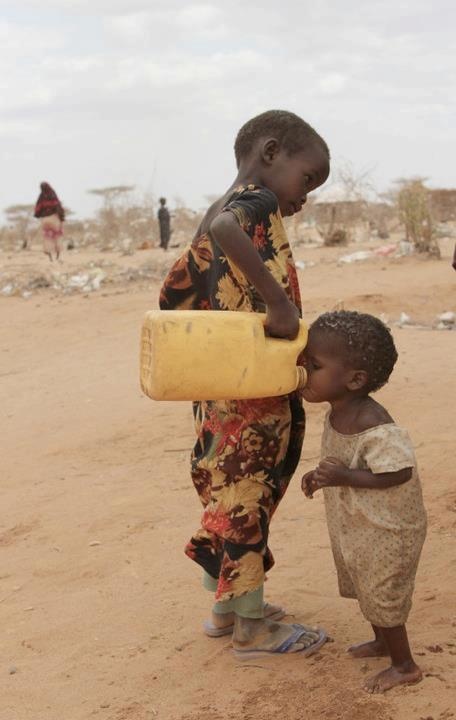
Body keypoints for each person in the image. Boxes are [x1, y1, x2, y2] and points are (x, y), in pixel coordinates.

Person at [159, 109, 330, 656]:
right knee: (248, 497)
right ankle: (253, 630)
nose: (304, 197)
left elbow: (188, 286)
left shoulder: (221, 206)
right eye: (307, 180)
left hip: (221, 387)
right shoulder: (250, 204)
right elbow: (225, 231)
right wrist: (278, 305)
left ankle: (227, 609)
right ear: (272, 151)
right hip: (250, 395)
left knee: (229, 494)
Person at [301, 310, 427, 692]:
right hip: (360, 523)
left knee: (382, 592)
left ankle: (404, 665)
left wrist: (341, 477)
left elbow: (398, 471)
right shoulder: (339, 409)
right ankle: (380, 641)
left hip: (389, 528)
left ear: (355, 379)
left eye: (314, 365)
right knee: (366, 585)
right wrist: (321, 476)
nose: (303, 371)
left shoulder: (373, 420)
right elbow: (345, 460)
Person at [34, 182, 65, 262]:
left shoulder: (41, 197)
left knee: (48, 237)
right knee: (58, 236)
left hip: (45, 220)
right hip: (54, 218)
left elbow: (37, 210)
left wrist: (39, 215)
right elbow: (58, 206)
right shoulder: (53, 194)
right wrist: (61, 218)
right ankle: (59, 255)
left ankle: (50, 257)